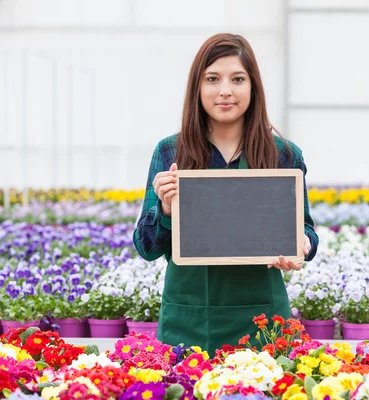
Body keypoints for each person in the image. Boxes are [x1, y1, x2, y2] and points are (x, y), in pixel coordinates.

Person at [133, 33, 319, 356]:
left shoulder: (284, 155)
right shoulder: (171, 152)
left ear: (253, 87)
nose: (225, 91)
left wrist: (301, 244)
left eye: (237, 79)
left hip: (264, 323)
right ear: (198, 88)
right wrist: (164, 209)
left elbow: (307, 231)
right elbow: (146, 246)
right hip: (189, 319)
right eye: (212, 79)